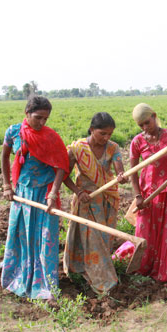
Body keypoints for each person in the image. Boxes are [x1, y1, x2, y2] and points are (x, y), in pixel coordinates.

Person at [0, 95, 69, 300]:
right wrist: (7, 186)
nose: (42, 123)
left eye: (45, 119)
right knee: (21, 235)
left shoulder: (51, 137)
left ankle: (44, 283)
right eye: (38, 117)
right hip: (22, 193)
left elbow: (61, 167)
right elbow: (4, 157)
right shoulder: (13, 133)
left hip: (44, 194)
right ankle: (19, 275)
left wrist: (53, 194)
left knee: (45, 238)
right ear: (27, 114)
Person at [63, 112, 127, 294]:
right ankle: (104, 280)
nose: (106, 138)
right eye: (102, 134)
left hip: (107, 198)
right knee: (92, 238)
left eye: (109, 134)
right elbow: (64, 175)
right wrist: (78, 192)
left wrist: (121, 176)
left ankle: (95, 269)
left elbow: (118, 168)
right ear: (92, 130)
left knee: (103, 238)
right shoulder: (77, 148)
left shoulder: (113, 148)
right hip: (86, 200)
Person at [129, 103, 167, 283]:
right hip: (147, 196)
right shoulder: (137, 142)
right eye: (141, 125)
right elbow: (133, 172)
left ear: (154, 116)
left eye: (147, 122)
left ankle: (166, 272)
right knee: (145, 233)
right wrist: (138, 196)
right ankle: (144, 269)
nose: (145, 127)